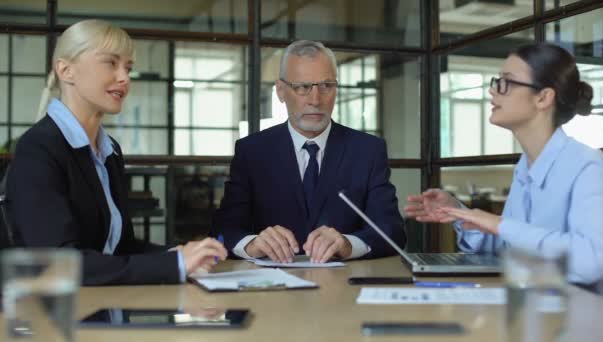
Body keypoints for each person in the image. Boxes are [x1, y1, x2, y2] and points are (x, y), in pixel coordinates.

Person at [6, 19, 227, 286]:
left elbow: (119, 249)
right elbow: (59, 264)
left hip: (106, 309)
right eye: (111, 63)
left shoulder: (109, 150)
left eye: (128, 67)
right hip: (60, 319)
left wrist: (179, 254)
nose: (124, 77)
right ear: (66, 70)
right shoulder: (38, 149)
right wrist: (174, 264)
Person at [405, 43, 603, 289]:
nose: (493, 92)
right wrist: (459, 213)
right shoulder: (526, 167)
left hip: (580, 315)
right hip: (531, 306)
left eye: (506, 83)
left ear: (543, 97)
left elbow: (593, 262)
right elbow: (508, 246)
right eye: (496, 81)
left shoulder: (589, 165)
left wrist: (500, 224)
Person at [212, 40, 405, 264]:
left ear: (336, 89)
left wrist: (349, 244)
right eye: (303, 87)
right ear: (281, 91)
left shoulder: (368, 150)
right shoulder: (251, 152)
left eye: (326, 86)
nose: (315, 100)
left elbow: (392, 231)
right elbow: (223, 230)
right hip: (272, 288)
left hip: (343, 287)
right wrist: (251, 244)